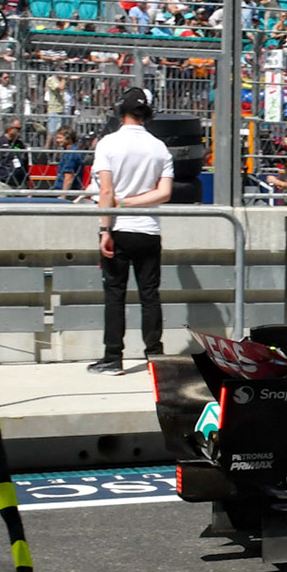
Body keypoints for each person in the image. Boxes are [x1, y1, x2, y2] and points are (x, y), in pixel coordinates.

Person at [90, 87, 174, 374]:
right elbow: (164, 193)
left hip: (118, 228)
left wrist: (105, 228)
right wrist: (130, 202)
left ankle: (113, 357)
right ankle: (155, 356)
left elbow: (106, 191)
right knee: (150, 294)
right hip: (148, 229)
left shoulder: (108, 143)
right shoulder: (159, 147)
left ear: (120, 110)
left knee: (115, 295)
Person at [53, 128, 89, 197]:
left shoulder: (71, 153)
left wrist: (63, 197)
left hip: (69, 193)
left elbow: (68, 177)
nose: (57, 140)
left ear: (68, 139)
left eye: (60, 138)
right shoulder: (70, 151)